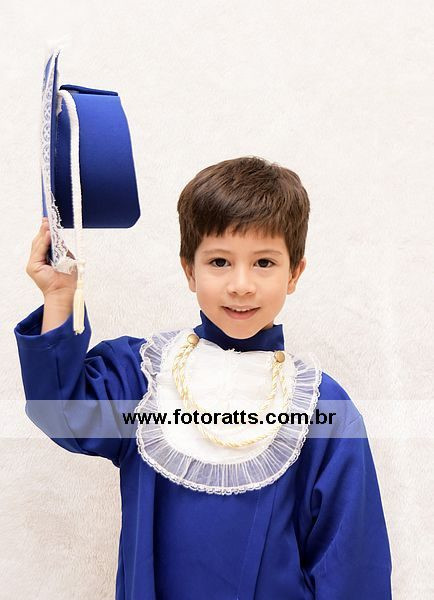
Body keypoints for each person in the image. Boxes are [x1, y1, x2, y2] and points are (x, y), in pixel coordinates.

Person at [15, 156, 392, 599]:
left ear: (294, 273)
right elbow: (59, 412)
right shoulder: (143, 376)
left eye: (264, 262)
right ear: (189, 270)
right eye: (219, 261)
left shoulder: (322, 407)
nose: (241, 284)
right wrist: (61, 295)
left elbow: (351, 562)